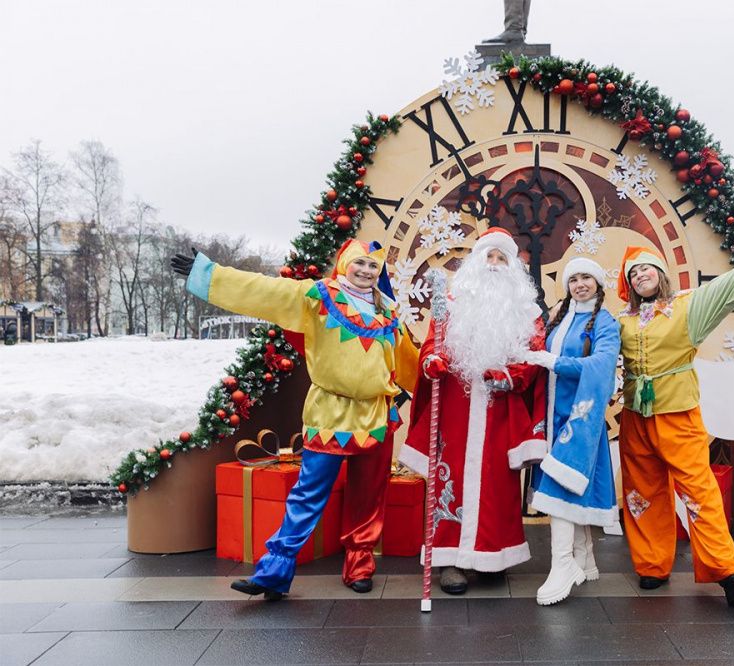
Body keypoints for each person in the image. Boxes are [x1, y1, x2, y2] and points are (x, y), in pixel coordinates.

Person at [171, 239, 418, 599]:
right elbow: (264, 290)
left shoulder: (388, 313)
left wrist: (434, 376)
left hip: (377, 415)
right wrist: (210, 275)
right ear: (345, 263)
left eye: (373, 267)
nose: (366, 272)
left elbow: (409, 360)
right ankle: (275, 570)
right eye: (359, 263)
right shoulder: (318, 297)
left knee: (369, 495)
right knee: (308, 493)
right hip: (330, 412)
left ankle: (359, 562)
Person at [616, 227, 734, 606]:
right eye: (633, 273)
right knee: (641, 493)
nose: (640, 276)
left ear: (661, 274)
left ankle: (726, 571)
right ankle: (651, 565)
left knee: (699, 492)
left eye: (646, 269)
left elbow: (726, 288)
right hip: (636, 417)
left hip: (678, 414)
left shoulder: (688, 308)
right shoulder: (622, 321)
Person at [399, 227, 547, 595]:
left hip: (500, 407)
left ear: (513, 267)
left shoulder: (526, 311)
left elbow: (533, 354)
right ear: (476, 262)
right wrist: (433, 359)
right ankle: (450, 561)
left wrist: (510, 375)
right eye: (489, 257)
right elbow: (435, 340)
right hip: (456, 404)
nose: (495, 265)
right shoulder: (451, 301)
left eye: (502, 258)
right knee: (452, 479)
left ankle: (492, 556)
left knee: (497, 484)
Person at [522, 257, 621, 606]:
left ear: (598, 283)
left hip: (579, 419)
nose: (580, 284)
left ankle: (563, 564)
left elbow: (602, 364)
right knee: (566, 484)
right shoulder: (560, 318)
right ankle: (584, 557)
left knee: (559, 484)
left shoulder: (605, 323)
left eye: (586, 278)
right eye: (574, 279)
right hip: (552, 417)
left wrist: (554, 362)